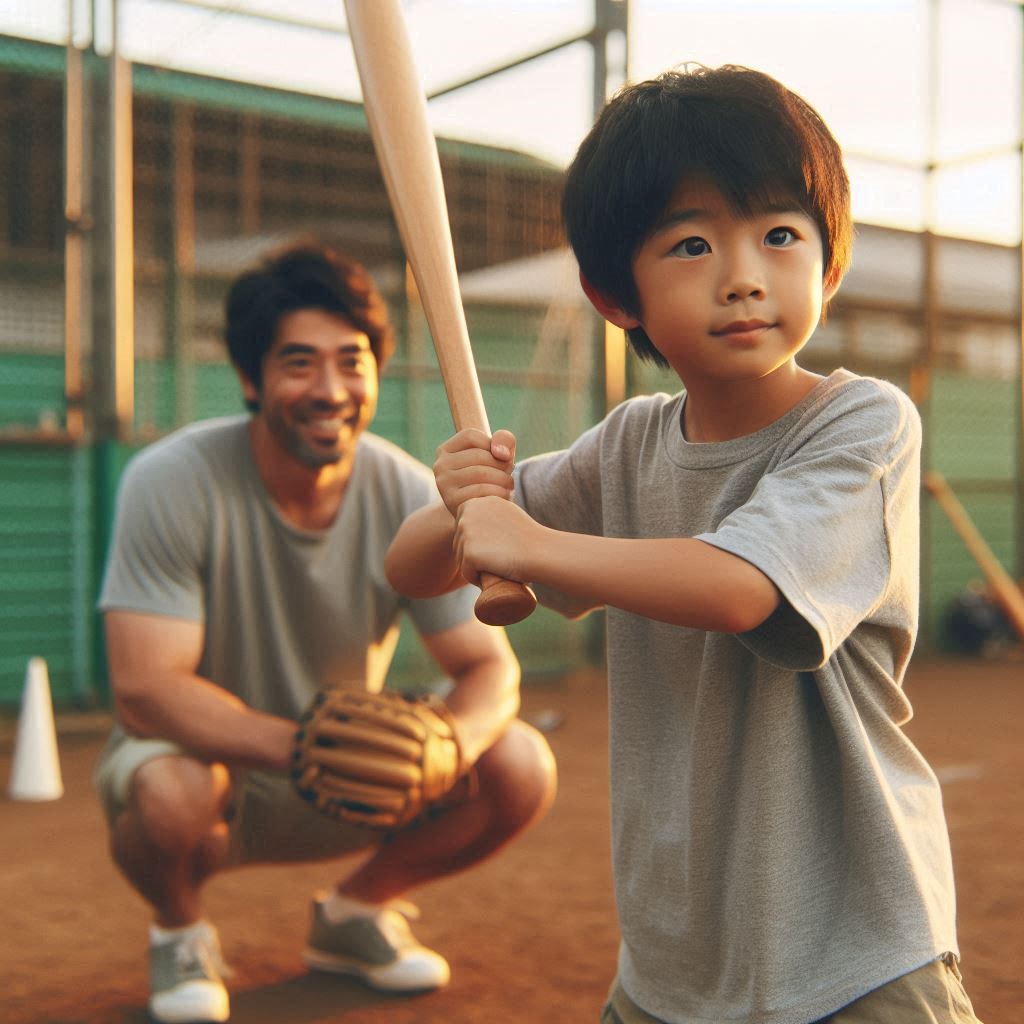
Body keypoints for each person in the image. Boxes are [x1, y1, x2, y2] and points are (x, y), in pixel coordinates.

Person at [384, 65, 983, 1024]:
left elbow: (739, 586)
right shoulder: (627, 445)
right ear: (616, 295)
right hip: (673, 964)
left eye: (780, 234)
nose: (744, 273)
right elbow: (409, 566)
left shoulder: (864, 424)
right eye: (693, 244)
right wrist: (459, 496)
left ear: (828, 262)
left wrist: (526, 542)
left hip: (854, 954)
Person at [94, 241, 557, 1024]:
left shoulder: (408, 489)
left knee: (518, 763)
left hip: (355, 780)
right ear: (251, 378)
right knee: (169, 790)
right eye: (300, 363)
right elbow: (146, 690)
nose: (331, 388)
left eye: (352, 361)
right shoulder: (170, 479)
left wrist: (444, 745)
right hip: (221, 776)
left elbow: (490, 672)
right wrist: (311, 750)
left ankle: (354, 915)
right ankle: (180, 930)